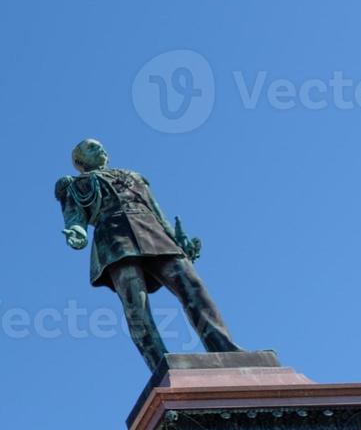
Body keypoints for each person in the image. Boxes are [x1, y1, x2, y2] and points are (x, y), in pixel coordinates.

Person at [55, 139, 241, 373]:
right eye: (91, 147)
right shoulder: (75, 185)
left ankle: (224, 348)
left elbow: (156, 210)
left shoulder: (133, 176)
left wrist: (178, 239)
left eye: (100, 146)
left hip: (153, 230)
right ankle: (160, 363)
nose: (100, 149)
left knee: (192, 286)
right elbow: (75, 218)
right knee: (136, 304)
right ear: (80, 161)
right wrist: (77, 232)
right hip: (114, 238)